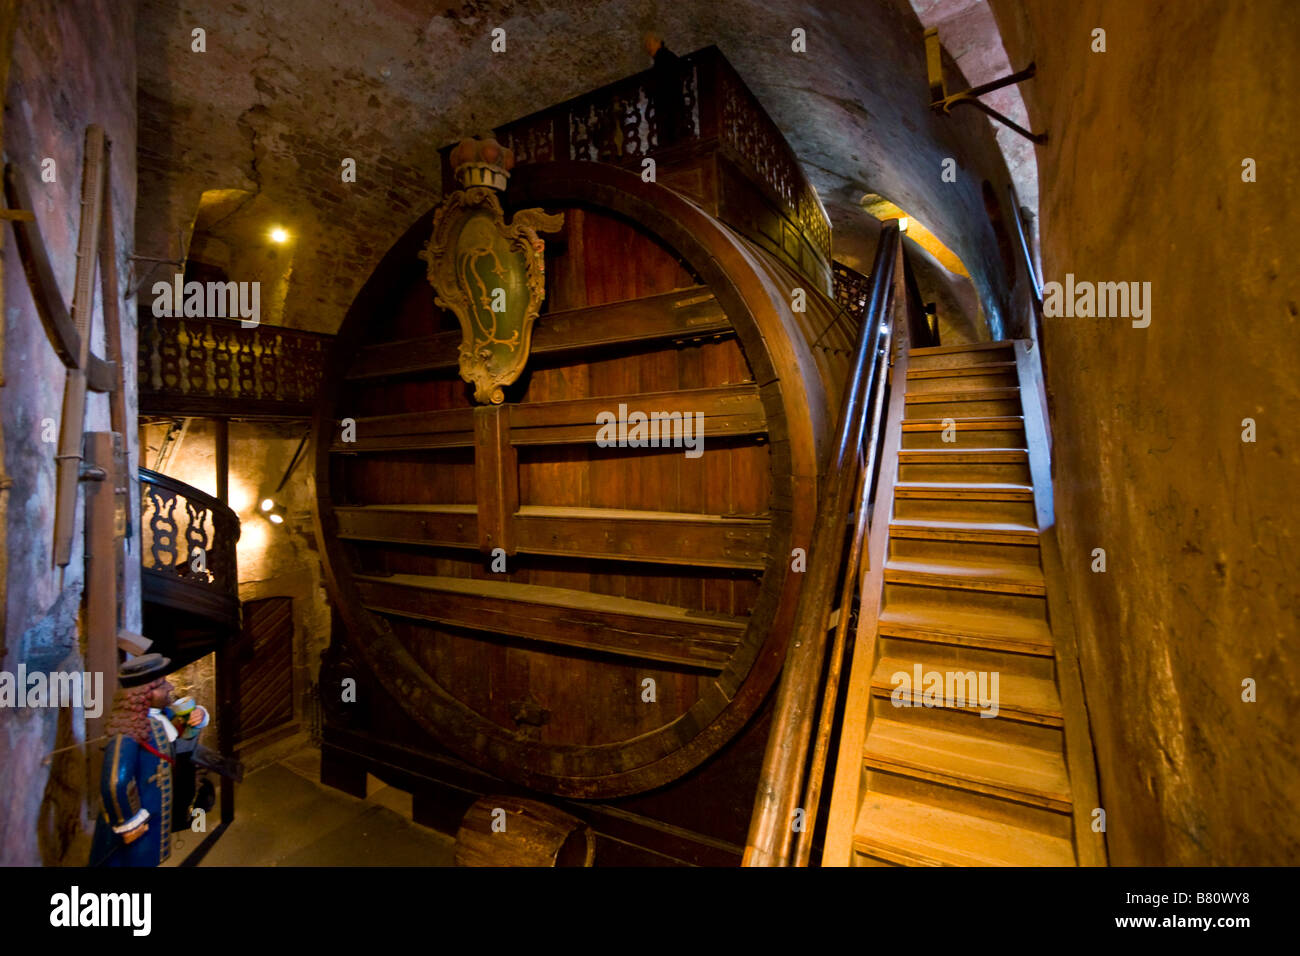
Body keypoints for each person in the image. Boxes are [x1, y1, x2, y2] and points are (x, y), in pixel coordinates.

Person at [88, 654, 209, 866]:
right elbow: (115, 781)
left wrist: (199, 713)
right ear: (146, 693)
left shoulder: (158, 715)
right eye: (162, 684)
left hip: (155, 810)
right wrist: (130, 822)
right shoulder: (126, 733)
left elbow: (184, 729)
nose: (170, 687)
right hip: (140, 819)